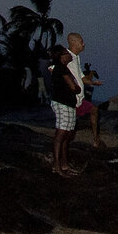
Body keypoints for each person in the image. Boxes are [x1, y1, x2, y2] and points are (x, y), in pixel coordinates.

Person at [47, 46, 81, 177]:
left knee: (67, 135)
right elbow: (73, 87)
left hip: (68, 104)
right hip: (63, 104)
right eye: (67, 53)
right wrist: (77, 88)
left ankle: (64, 164)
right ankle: (57, 166)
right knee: (61, 135)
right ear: (62, 56)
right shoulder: (60, 69)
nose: (69, 54)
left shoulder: (62, 68)